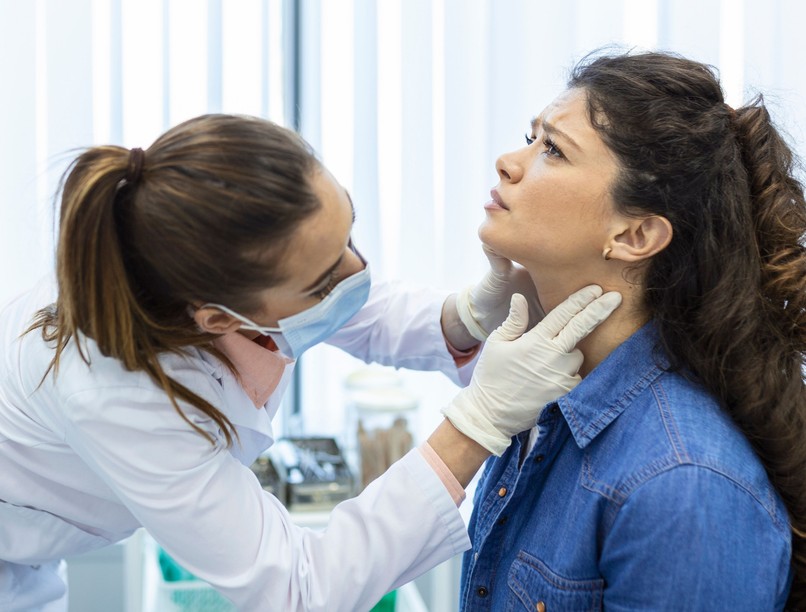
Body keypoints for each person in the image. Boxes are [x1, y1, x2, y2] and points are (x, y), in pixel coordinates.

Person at [0, 114, 621, 611]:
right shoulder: (113, 393)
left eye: (349, 234)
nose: (358, 275)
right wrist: (477, 423)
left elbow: (352, 302)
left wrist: (463, 317)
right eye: (327, 282)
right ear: (216, 318)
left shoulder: (224, 250)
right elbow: (298, 591)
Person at [459, 50, 806, 610]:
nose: (507, 162)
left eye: (552, 148)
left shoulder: (683, 485)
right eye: (529, 137)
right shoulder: (542, 400)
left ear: (635, 235)